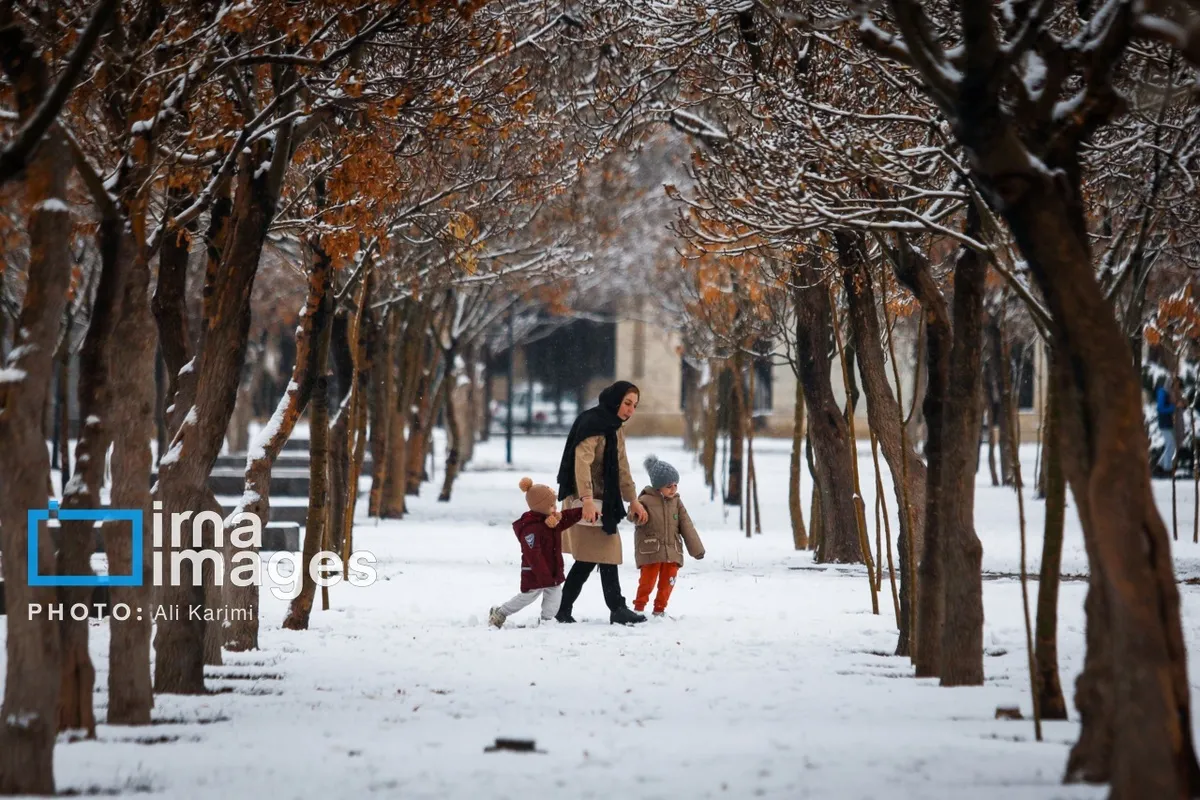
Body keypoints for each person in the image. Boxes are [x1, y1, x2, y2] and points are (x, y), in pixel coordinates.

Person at [554, 380, 649, 625]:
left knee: (590, 557)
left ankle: (563, 609)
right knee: (603, 552)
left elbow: (622, 467)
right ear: (615, 400)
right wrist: (585, 499)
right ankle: (615, 608)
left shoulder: (615, 427)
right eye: (627, 403)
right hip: (583, 502)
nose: (630, 410)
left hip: (602, 503)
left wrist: (633, 500)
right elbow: (581, 463)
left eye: (635, 406)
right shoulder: (593, 423)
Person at [489, 477, 584, 628]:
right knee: (528, 597)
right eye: (551, 505)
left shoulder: (551, 522)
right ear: (540, 506)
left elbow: (566, 517)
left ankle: (547, 621)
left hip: (552, 570)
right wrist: (543, 575)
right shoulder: (531, 528)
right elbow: (533, 555)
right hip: (534, 571)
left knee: (555, 594)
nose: (555, 508)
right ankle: (500, 612)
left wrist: (583, 511)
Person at [632, 455, 705, 617]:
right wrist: (637, 515)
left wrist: (696, 550)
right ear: (658, 487)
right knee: (647, 583)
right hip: (651, 551)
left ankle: (660, 609)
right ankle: (639, 608)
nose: (673, 489)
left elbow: (687, 526)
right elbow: (633, 515)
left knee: (668, 583)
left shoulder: (677, 502)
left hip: (672, 551)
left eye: (675, 485)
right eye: (669, 486)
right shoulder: (644, 500)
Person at [1157, 378, 1179, 478]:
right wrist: (1173, 407)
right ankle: (1167, 469)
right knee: (1171, 445)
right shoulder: (1163, 392)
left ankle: (1160, 465)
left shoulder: (1168, 393)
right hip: (1164, 422)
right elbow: (1160, 408)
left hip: (1168, 422)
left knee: (1170, 445)